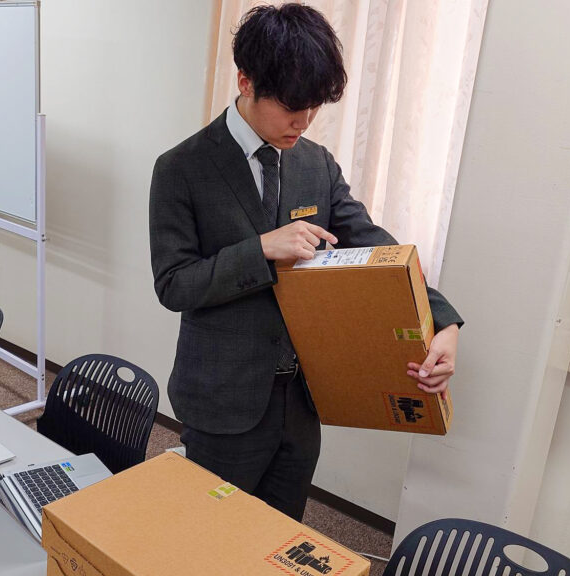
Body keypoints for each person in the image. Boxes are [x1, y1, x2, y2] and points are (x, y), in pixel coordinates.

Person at [149, 3, 462, 521]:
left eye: (315, 107)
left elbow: (376, 249)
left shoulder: (316, 164)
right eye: (292, 106)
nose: (303, 121)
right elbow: (174, 284)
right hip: (222, 400)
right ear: (246, 81)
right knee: (209, 535)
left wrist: (443, 321)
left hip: (302, 400)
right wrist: (261, 249)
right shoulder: (182, 168)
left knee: (279, 535)